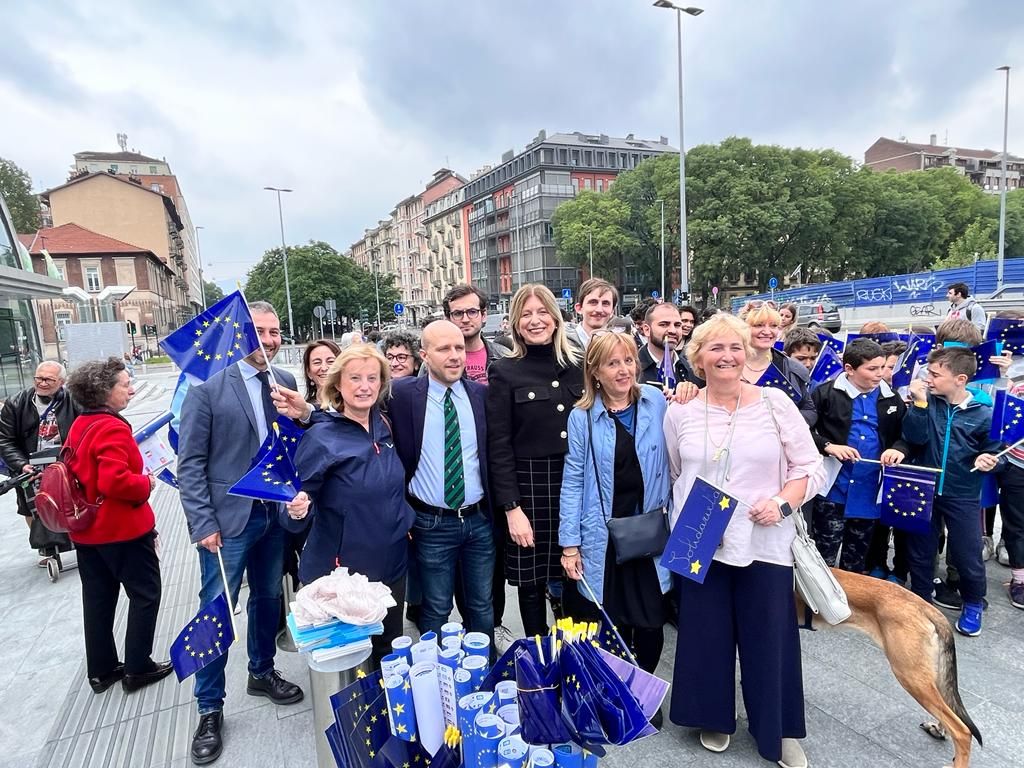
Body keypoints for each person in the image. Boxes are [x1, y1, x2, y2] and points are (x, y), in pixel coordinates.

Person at [665, 314, 823, 766]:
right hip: (701, 538)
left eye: (735, 347)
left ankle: (778, 727)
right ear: (698, 358)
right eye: (715, 348)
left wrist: (782, 503)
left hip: (764, 537)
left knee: (770, 637)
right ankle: (712, 715)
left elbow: (809, 466)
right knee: (705, 634)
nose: (727, 356)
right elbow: (677, 472)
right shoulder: (680, 411)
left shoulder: (775, 403)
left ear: (747, 353)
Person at [178, 301, 305, 765]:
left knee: (267, 598)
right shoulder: (207, 387)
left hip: (273, 517)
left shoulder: (285, 381)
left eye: (275, 332)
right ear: (239, 334)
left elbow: (294, 447)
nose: (268, 341)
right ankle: (209, 707)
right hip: (227, 524)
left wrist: (302, 419)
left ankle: (261, 670)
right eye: (259, 332)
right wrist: (202, 522)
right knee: (215, 611)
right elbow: (190, 463)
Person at [559, 333, 671, 717]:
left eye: (628, 360)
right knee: (612, 621)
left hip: (649, 534)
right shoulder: (582, 417)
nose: (623, 370)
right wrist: (569, 544)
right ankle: (618, 692)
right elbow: (573, 480)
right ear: (595, 371)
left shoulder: (655, 401)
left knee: (651, 621)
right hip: (605, 537)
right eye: (612, 363)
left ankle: (644, 690)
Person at [286, 344, 414, 666]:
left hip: (392, 564)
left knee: (389, 650)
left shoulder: (385, 424)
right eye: (355, 378)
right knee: (352, 663)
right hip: (345, 575)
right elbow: (295, 505)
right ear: (338, 384)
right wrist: (297, 509)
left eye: (372, 378)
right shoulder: (320, 438)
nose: (364, 386)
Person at [63, 357, 170, 695]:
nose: (131, 390)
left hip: (87, 531)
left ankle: (102, 670)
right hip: (120, 530)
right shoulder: (112, 427)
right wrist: (146, 483)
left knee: (98, 598)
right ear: (104, 390)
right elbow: (114, 481)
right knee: (145, 594)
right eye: (125, 384)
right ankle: (138, 667)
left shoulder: (81, 422)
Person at [486, 284, 583, 637]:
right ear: (515, 323)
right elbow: (499, 445)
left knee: (575, 576)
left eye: (542, 312)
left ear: (556, 319)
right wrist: (512, 508)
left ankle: (573, 652)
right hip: (530, 488)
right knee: (531, 582)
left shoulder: (579, 365)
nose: (535, 320)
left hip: (576, 484)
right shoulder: (505, 370)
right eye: (526, 314)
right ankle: (538, 652)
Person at [388, 321, 494, 639]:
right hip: (431, 523)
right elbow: (353, 405)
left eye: (459, 347)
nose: (454, 355)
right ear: (424, 356)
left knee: (481, 606)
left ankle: (484, 662)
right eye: (444, 349)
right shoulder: (402, 395)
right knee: (436, 607)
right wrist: (308, 413)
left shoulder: (481, 395)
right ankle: (434, 667)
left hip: (479, 521)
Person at [903, 347, 1002, 637]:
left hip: (963, 493)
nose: (928, 379)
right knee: (921, 549)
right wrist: (919, 405)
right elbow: (914, 437)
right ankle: (921, 599)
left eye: (935, 374)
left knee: (967, 552)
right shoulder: (928, 402)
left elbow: (998, 453)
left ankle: (973, 602)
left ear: (960, 379)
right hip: (924, 487)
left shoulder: (983, 413)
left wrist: (990, 460)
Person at [809, 339, 909, 573]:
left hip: (869, 488)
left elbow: (905, 436)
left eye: (882, 367)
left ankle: (852, 594)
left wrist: (898, 449)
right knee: (824, 555)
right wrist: (828, 446)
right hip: (833, 488)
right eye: (872, 369)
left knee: (857, 557)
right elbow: (801, 431)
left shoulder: (891, 397)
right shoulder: (825, 393)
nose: (880, 374)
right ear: (849, 369)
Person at [0, 361, 80, 560]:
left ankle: (79, 541)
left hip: (65, 463)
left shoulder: (74, 400)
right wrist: (21, 464)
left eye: (48, 380)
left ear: (61, 382)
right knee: (30, 507)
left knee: (72, 502)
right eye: (39, 378)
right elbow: (4, 440)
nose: (42, 383)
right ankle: (45, 549)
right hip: (29, 465)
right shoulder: (16, 403)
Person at [742, 303, 816, 426]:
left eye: (773, 326)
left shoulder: (792, 369)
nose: (767, 331)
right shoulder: (727, 365)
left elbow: (809, 410)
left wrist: (786, 424)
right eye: (759, 325)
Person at [442, 284, 510, 384]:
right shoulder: (435, 361)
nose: (465, 319)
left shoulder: (504, 355)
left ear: (484, 315)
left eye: (472, 312)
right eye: (458, 313)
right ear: (448, 318)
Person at [638, 302, 702, 388]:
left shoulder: (693, 370)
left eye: (677, 325)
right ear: (647, 330)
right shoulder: (631, 370)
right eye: (664, 324)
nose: (673, 330)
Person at [570, 278, 617, 348]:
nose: (599, 310)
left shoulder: (620, 346)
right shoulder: (561, 346)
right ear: (579, 308)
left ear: (612, 311)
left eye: (605, 303)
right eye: (593, 302)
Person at [302, 339, 341, 403]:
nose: (324, 368)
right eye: (317, 362)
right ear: (308, 372)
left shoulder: (352, 404)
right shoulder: (305, 407)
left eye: (331, 361)